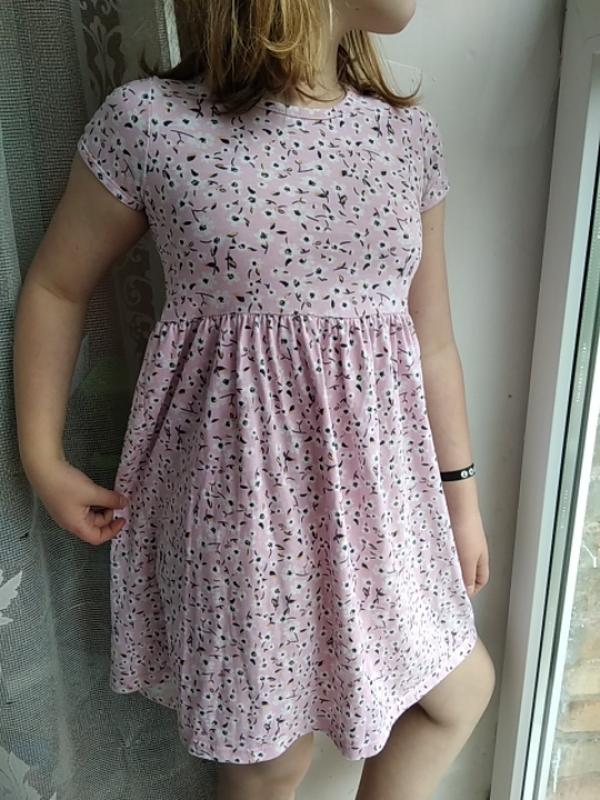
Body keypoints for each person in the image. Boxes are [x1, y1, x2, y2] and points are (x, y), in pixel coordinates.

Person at [13, 0, 495, 798]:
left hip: (384, 514)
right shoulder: (153, 123)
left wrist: (461, 500)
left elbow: (431, 341)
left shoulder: (405, 137)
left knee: (458, 691)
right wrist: (42, 454)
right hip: (241, 518)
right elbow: (57, 287)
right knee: (273, 761)